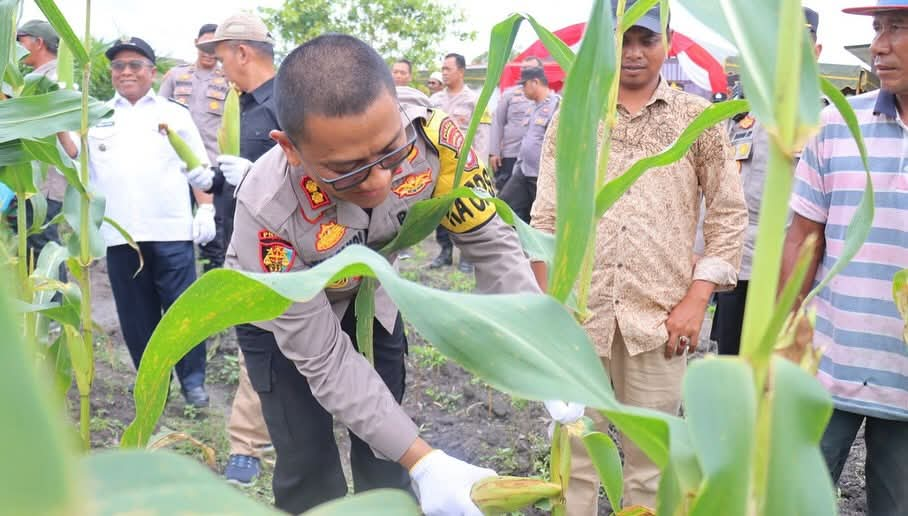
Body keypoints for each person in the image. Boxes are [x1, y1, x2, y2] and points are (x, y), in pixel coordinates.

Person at [225, 34, 543, 516]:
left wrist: (542, 348)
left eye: (390, 153)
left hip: (373, 294)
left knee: (387, 454)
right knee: (308, 465)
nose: (379, 181)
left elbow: (489, 240)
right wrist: (428, 462)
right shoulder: (267, 209)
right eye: (347, 170)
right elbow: (324, 356)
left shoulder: (435, 140)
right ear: (290, 149)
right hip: (280, 317)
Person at [530, 1, 747, 511]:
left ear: (666, 41)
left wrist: (697, 300)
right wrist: (549, 305)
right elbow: (545, 217)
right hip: (579, 321)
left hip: (660, 322)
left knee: (650, 468)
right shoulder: (576, 114)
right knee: (575, 460)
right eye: (622, 40)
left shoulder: (698, 119)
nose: (632, 53)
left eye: (645, 40)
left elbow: (728, 216)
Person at [780, 2, 908, 513]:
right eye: (878, 29)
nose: (879, 45)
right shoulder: (837, 126)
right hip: (825, 368)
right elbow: (802, 239)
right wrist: (782, 341)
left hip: (903, 379)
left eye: (897, 29)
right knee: (791, 499)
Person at [87, 37, 215, 408]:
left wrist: (204, 208)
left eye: (134, 65)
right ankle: (152, 383)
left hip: (171, 230)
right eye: (118, 66)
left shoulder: (174, 113)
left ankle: (193, 382)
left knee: (181, 312)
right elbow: (77, 160)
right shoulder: (95, 116)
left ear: (152, 72)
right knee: (135, 315)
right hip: (120, 233)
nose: (126, 72)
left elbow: (196, 166)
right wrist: (59, 117)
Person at [193, 12, 279, 486]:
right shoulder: (237, 103)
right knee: (254, 338)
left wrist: (259, 176)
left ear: (242, 52)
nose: (218, 65)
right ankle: (251, 438)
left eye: (221, 55)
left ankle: (255, 439)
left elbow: (314, 173)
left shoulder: (288, 102)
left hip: (279, 246)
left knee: (272, 339)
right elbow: (230, 172)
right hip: (236, 237)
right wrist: (210, 188)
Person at [711, 7, 822, 356]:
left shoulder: (824, 122)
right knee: (732, 362)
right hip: (740, 267)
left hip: (795, 276)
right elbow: (716, 193)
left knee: (780, 370)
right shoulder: (739, 117)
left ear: (816, 53)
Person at [158, 23, 230, 271]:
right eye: (204, 46)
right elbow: (157, 114)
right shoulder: (176, 76)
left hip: (211, 171)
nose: (209, 52)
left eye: (215, 47)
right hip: (176, 169)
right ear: (196, 43)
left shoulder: (228, 80)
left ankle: (213, 291)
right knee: (174, 232)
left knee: (213, 238)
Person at [14, 20, 77, 277]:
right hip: (31, 181)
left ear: (38, 42)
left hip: (44, 182)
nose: (17, 47)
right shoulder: (34, 78)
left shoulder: (53, 79)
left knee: (43, 248)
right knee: (31, 247)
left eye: (21, 40)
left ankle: (54, 310)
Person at [428, 52, 491, 272]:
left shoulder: (474, 101)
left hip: (465, 168)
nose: (444, 73)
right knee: (440, 210)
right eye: (442, 69)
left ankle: (467, 256)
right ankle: (444, 252)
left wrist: (478, 167)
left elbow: (482, 134)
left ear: (461, 72)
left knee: (467, 211)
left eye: (448, 69)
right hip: (439, 166)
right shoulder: (434, 101)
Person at [498, 66, 559, 223]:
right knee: (502, 207)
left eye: (524, 85)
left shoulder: (557, 106)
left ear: (534, 82)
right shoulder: (532, 107)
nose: (522, 89)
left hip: (541, 176)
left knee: (543, 220)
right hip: (523, 171)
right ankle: (512, 246)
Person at [489, 56, 544, 191]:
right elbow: (497, 123)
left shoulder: (549, 97)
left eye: (531, 68)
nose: (526, 71)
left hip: (537, 157)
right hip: (511, 155)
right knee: (507, 196)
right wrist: (494, 152)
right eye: (524, 68)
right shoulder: (510, 95)